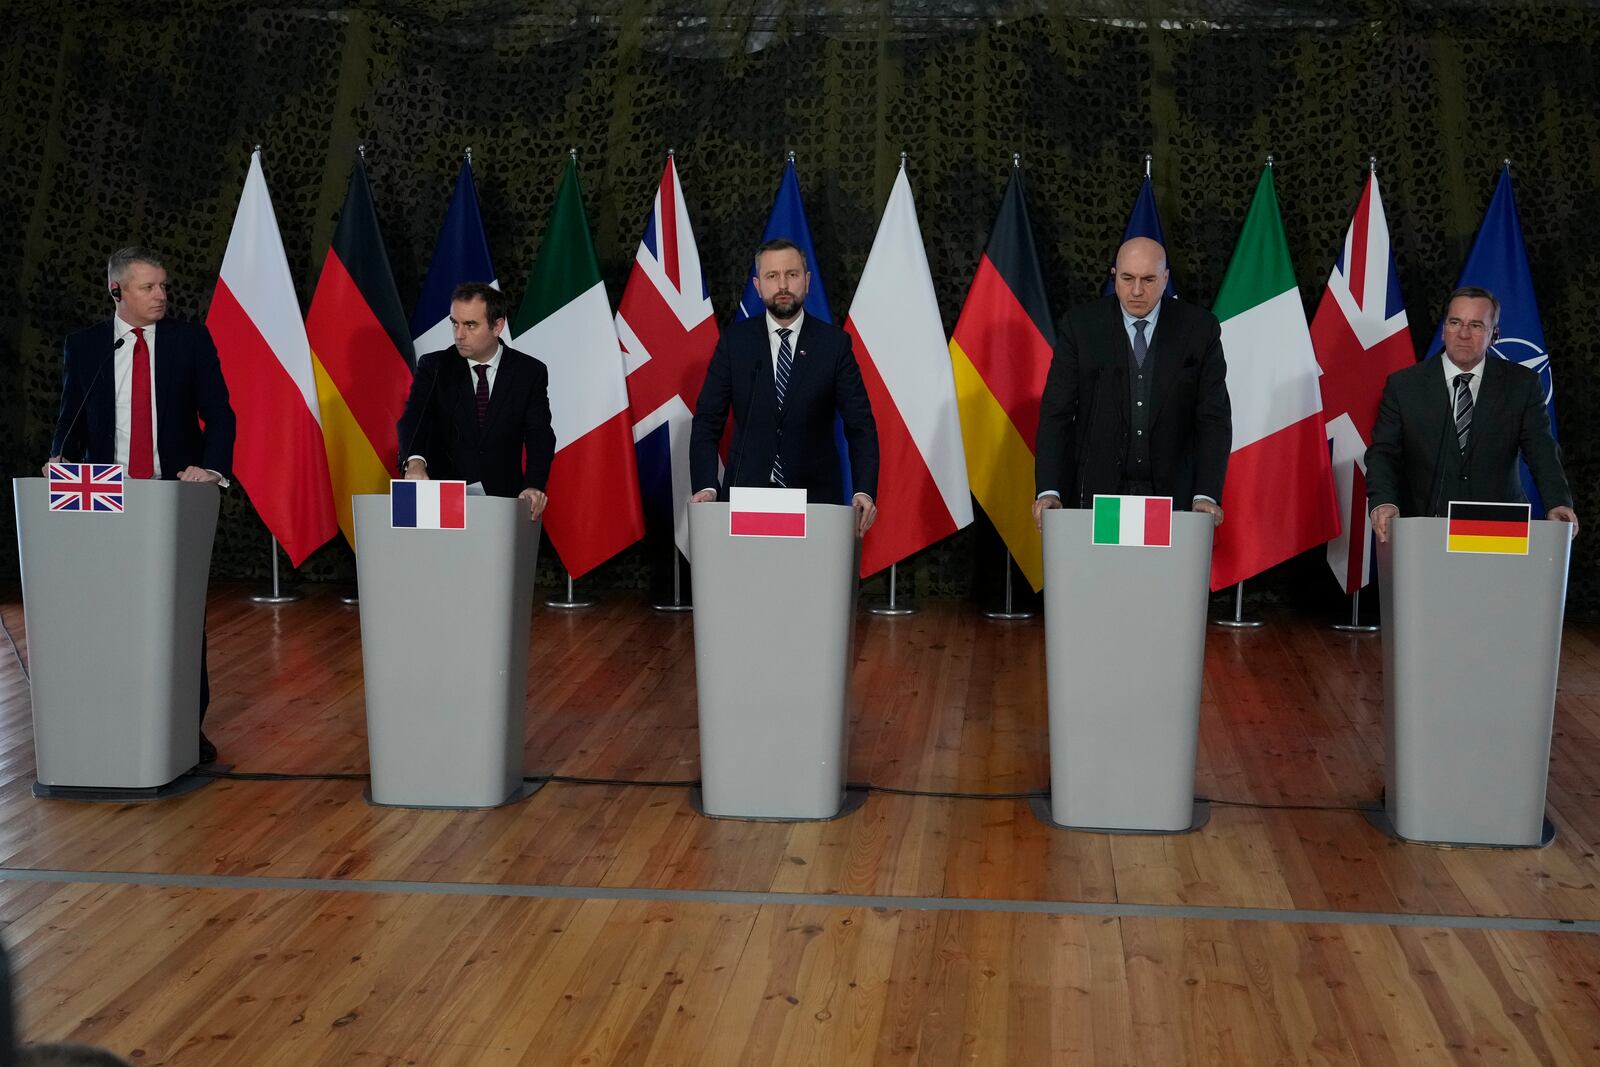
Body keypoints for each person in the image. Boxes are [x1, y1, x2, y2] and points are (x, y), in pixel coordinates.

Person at [45, 247, 236, 765]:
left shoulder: (189, 341)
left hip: (173, 495)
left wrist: (212, 470)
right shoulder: (85, 346)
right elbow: (71, 415)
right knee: (108, 612)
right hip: (105, 499)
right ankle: (111, 717)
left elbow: (220, 413)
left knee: (178, 613)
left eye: (163, 287)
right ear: (117, 292)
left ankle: (184, 727)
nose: (161, 296)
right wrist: (56, 459)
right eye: (148, 288)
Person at [1033, 236, 1231, 529]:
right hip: (1096, 498)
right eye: (1127, 278)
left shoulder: (1199, 329)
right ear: (1114, 275)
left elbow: (1213, 418)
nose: (1137, 290)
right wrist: (1050, 490)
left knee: (1162, 577)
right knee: (1103, 576)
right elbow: (1056, 414)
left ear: (1165, 278)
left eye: (1149, 279)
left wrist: (1206, 495)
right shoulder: (1081, 326)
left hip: (1175, 500)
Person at [689, 238, 879, 535]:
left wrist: (863, 491)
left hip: (815, 502)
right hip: (746, 500)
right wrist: (706, 486)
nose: (782, 285)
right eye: (772, 276)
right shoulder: (735, 343)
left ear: (807, 280)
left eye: (791, 274)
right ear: (757, 285)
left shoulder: (833, 345)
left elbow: (860, 425)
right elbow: (706, 421)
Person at [1366, 286, 1577, 541]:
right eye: (1455, 322)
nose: (1463, 334)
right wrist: (1384, 502)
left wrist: (1557, 502)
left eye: (1476, 325)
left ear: (1494, 335)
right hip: (1425, 527)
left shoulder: (1521, 384)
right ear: (1444, 330)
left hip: (1499, 528)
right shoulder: (1405, 386)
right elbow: (1383, 453)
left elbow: (1542, 450)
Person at [395, 282, 555, 521]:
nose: (459, 335)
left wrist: (533, 484)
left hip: (503, 503)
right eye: (455, 323)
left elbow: (539, 435)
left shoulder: (529, 372)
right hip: (442, 501)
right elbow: (414, 419)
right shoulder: (435, 367)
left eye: (470, 325)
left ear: (497, 326)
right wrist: (415, 462)